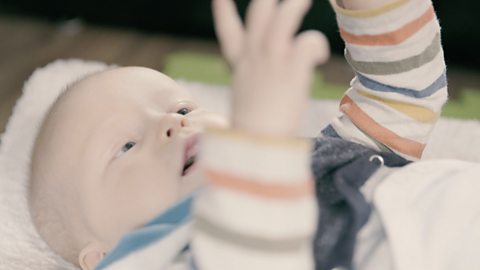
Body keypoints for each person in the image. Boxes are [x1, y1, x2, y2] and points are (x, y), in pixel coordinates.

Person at [27, 0, 480, 269]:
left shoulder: (316, 158)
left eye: (182, 108)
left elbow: (401, 95)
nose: (174, 124)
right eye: (125, 146)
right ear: (101, 256)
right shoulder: (163, 253)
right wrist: (260, 143)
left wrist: (376, 8)